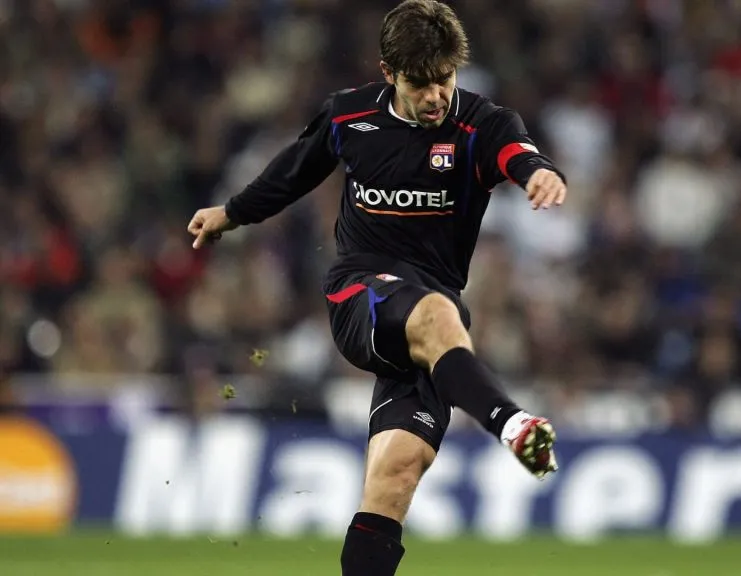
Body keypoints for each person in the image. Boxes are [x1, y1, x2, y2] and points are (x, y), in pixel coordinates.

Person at [186, 1, 566, 573]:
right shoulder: (349, 119)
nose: (437, 95)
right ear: (389, 72)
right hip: (359, 295)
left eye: (445, 79)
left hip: (432, 334)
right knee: (441, 314)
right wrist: (231, 213)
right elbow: (291, 172)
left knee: (395, 475)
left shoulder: (482, 124)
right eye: (421, 83)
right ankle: (513, 425)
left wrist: (540, 172)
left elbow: (518, 154)